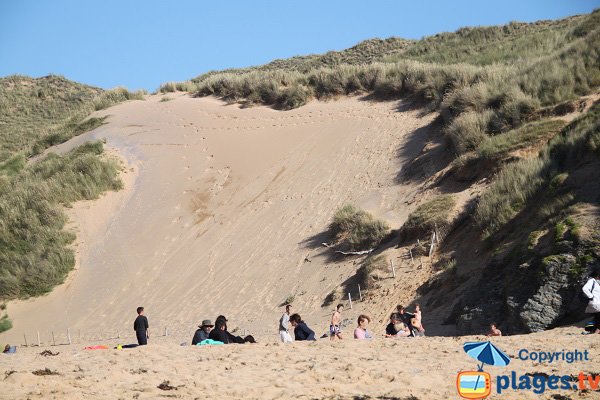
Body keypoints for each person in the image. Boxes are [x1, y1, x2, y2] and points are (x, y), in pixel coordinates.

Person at [582, 268, 600, 334]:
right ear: (597, 275)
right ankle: (595, 332)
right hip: (595, 303)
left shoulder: (597, 283)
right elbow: (585, 288)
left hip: (597, 303)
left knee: (596, 318)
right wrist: (591, 296)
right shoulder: (591, 281)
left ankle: (589, 330)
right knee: (598, 318)